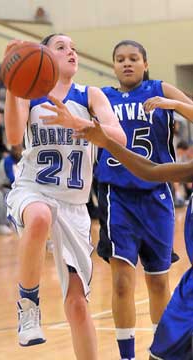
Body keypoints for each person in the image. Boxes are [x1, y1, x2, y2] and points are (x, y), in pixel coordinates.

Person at [4, 34, 126, 358]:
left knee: (77, 306)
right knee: (41, 215)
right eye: (61, 47)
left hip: (75, 207)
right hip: (32, 190)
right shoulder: (28, 94)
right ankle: (28, 305)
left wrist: (82, 124)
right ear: (42, 57)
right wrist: (10, 78)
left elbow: (119, 138)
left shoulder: (90, 96)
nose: (70, 51)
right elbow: (14, 136)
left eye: (73, 47)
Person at [89, 40, 193, 360]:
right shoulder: (101, 97)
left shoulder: (158, 89)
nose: (127, 64)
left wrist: (171, 104)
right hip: (117, 195)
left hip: (156, 194)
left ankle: (163, 352)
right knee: (121, 281)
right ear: (113, 66)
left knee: (159, 284)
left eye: (134, 58)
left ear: (146, 63)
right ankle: (127, 356)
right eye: (120, 59)